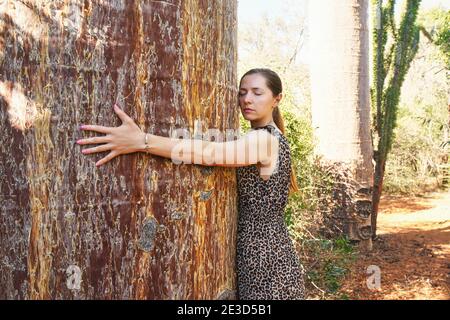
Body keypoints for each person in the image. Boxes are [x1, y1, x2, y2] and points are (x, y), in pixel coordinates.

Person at [77, 68, 305, 299]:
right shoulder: (263, 136)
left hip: (268, 261)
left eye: (257, 93)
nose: (247, 99)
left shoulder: (264, 139)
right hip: (260, 252)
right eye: (242, 92)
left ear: (277, 99)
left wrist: (142, 141)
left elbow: (211, 153)